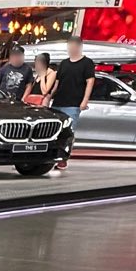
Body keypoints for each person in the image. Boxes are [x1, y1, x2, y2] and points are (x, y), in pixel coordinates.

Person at [51, 36, 96, 171]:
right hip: (58, 102)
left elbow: (90, 82)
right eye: (69, 46)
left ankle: (63, 159)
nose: (71, 49)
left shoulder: (87, 63)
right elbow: (57, 82)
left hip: (73, 103)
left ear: (79, 46)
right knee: (54, 131)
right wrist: (49, 96)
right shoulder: (64, 63)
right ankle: (51, 156)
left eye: (73, 46)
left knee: (68, 132)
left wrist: (84, 100)